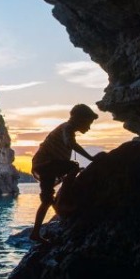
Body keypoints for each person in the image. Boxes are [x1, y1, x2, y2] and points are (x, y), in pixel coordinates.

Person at [29, 103, 99, 242]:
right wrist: (90, 158)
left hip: (44, 165)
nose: (89, 127)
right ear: (79, 119)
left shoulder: (65, 128)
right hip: (46, 164)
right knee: (73, 167)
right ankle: (62, 202)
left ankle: (35, 233)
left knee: (47, 200)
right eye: (88, 123)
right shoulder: (67, 128)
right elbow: (70, 144)